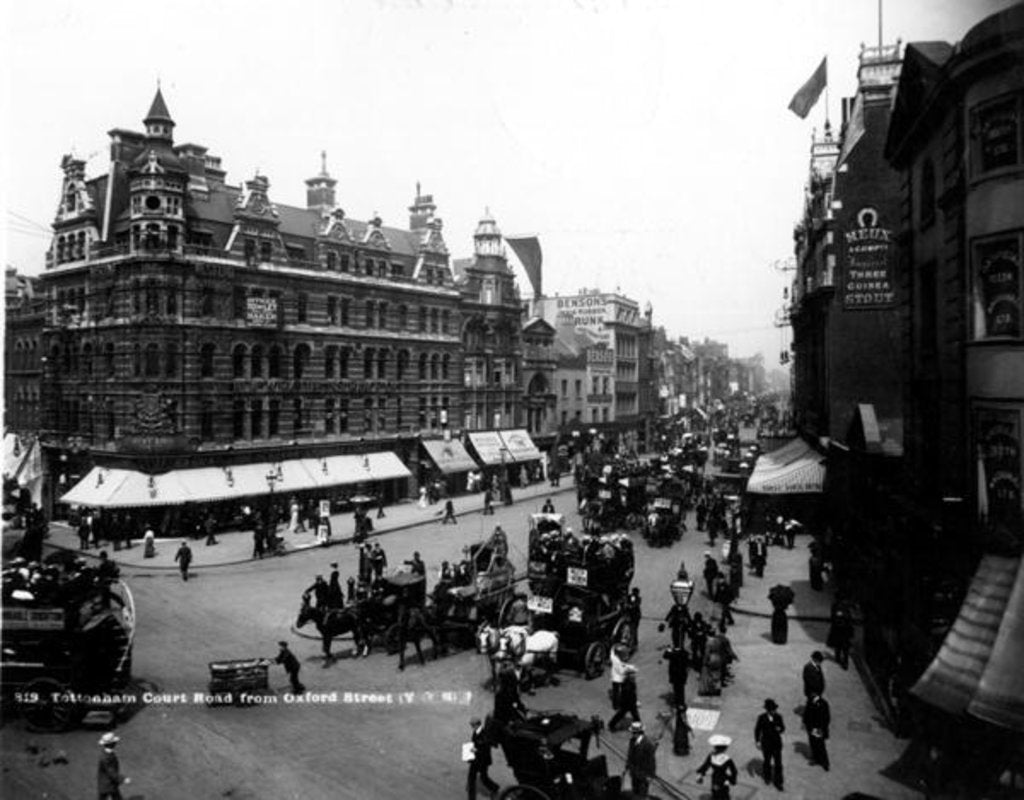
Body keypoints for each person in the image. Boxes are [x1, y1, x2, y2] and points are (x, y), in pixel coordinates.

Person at [754, 698, 785, 790]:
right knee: (767, 761)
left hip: (776, 743)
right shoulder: (762, 718)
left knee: (778, 763)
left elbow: (783, 727)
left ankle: (778, 782)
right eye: (771, 710)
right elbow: (757, 730)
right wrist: (757, 741)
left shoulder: (778, 717)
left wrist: (780, 729)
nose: (773, 711)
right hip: (766, 743)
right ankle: (767, 777)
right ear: (767, 710)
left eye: (774, 710)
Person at [466, 716, 499, 800]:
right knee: (474, 778)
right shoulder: (477, 732)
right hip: (477, 759)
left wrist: (474, 750)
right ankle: (472, 797)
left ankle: (494, 788)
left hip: (481, 760)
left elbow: (484, 748)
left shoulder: (483, 734)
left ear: (477, 724)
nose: (472, 727)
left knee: (482, 778)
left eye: (473, 725)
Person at [696, 735, 738, 799]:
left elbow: (706, 766)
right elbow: (734, 771)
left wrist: (701, 774)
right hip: (722, 779)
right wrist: (732, 780)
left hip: (717, 778)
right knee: (721, 794)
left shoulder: (712, 756)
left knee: (718, 793)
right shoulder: (727, 759)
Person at [625, 720, 659, 797]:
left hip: (643, 775)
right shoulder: (632, 741)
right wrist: (628, 765)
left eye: (633, 733)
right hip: (634, 772)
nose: (631, 734)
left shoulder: (647, 744)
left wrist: (651, 775)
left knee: (642, 794)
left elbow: (651, 761)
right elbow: (630, 754)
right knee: (635, 790)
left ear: (637, 733)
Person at [802, 692, 831, 771]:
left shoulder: (823, 704)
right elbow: (806, 713)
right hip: (811, 727)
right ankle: (816, 759)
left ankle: (825, 763)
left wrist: (821, 728)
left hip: (819, 729)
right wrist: (805, 723)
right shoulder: (810, 702)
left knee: (821, 746)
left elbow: (826, 718)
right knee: (813, 743)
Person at [97, 732, 128, 800]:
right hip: (107, 784)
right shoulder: (106, 757)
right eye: (114, 742)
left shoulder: (107, 754)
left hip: (108, 784)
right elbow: (111, 771)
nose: (116, 743)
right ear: (111, 744)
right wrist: (123, 779)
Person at [608, 665, 640, 731]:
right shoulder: (627, 684)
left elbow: (633, 693)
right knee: (621, 714)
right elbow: (628, 695)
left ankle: (638, 725)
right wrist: (633, 701)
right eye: (632, 674)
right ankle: (611, 725)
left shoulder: (630, 681)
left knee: (634, 715)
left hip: (630, 702)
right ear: (628, 675)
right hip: (627, 703)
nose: (634, 675)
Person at [829, 604, 855, 670]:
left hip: (843, 633)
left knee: (842, 648)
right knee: (841, 648)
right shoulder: (841, 609)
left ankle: (842, 661)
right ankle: (842, 661)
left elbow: (834, 618)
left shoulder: (838, 607)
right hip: (842, 632)